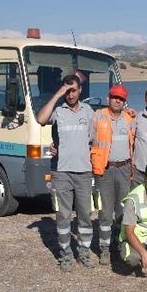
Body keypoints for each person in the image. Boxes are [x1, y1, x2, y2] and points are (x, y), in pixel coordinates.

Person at [35, 74, 96, 272]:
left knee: (85, 215)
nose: (70, 95)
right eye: (67, 91)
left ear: (80, 91)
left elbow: (98, 134)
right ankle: (66, 255)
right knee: (63, 215)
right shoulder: (58, 111)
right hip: (61, 171)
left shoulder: (88, 111)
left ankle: (84, 253)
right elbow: (40, 118)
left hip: (84, 172)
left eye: (74, 90)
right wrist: (58, 94)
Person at [90, 84, 136, 265]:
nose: (118, 100)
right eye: (115, 97)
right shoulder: (97, 116)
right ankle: (104, 249)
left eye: (121, 98)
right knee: (105, 212)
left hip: (124, 169)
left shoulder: (130, 118)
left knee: (122, 211)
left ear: (125, 101)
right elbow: (83, 137)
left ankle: (119, 245)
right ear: (108, 98)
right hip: (105, 170)